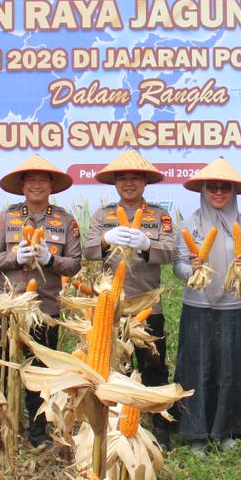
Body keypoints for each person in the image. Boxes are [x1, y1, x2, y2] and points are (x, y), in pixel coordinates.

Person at [0, 154, 83, 446]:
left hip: (45, 309)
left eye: (42, 180)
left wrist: (51, 260)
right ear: (22, 186)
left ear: (51, 186)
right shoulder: (6, 217)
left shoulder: (64, 220)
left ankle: (38, 434)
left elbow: (74, 263)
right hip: (9, 310)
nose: (36, 185)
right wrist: (15, 258)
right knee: (1, 372)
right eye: (31, 180)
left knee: (40, 374)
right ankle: (1, 431)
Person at [84, 149, 177, 447]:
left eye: (135, 178)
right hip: (111, 305)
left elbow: (170, 251)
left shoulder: (159, 215)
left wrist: (146, 243)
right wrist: (104, 240)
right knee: (113, 368)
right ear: (114, 183)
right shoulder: (103, 215)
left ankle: (159, 428)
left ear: (145, 183)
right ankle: (114, 424)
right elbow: (86, 251)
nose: (128, 183)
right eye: (122, 178)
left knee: (153, 367)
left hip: (149, 305)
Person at [172, 157, 241, 453]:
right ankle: (196, 432)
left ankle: (228, 429)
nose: (219, 192)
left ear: (233, 191)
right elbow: (178, 267)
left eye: (225, 188)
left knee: (230, 367)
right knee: (197, 366)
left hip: (233, 306)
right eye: (213, 188)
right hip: (198, 307)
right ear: (204, 191)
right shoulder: (190, 224)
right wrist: (193, 270)